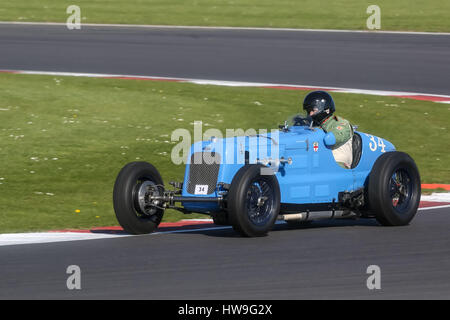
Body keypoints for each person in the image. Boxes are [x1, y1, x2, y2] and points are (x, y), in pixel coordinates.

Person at [303, 91, 353, 168]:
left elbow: (331, 139)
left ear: (325, 109)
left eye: (313, 110)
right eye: (309, 111)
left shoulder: (340, 123)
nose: (310, 114)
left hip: (338, 163)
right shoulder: (313, 124)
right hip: (318, 159)